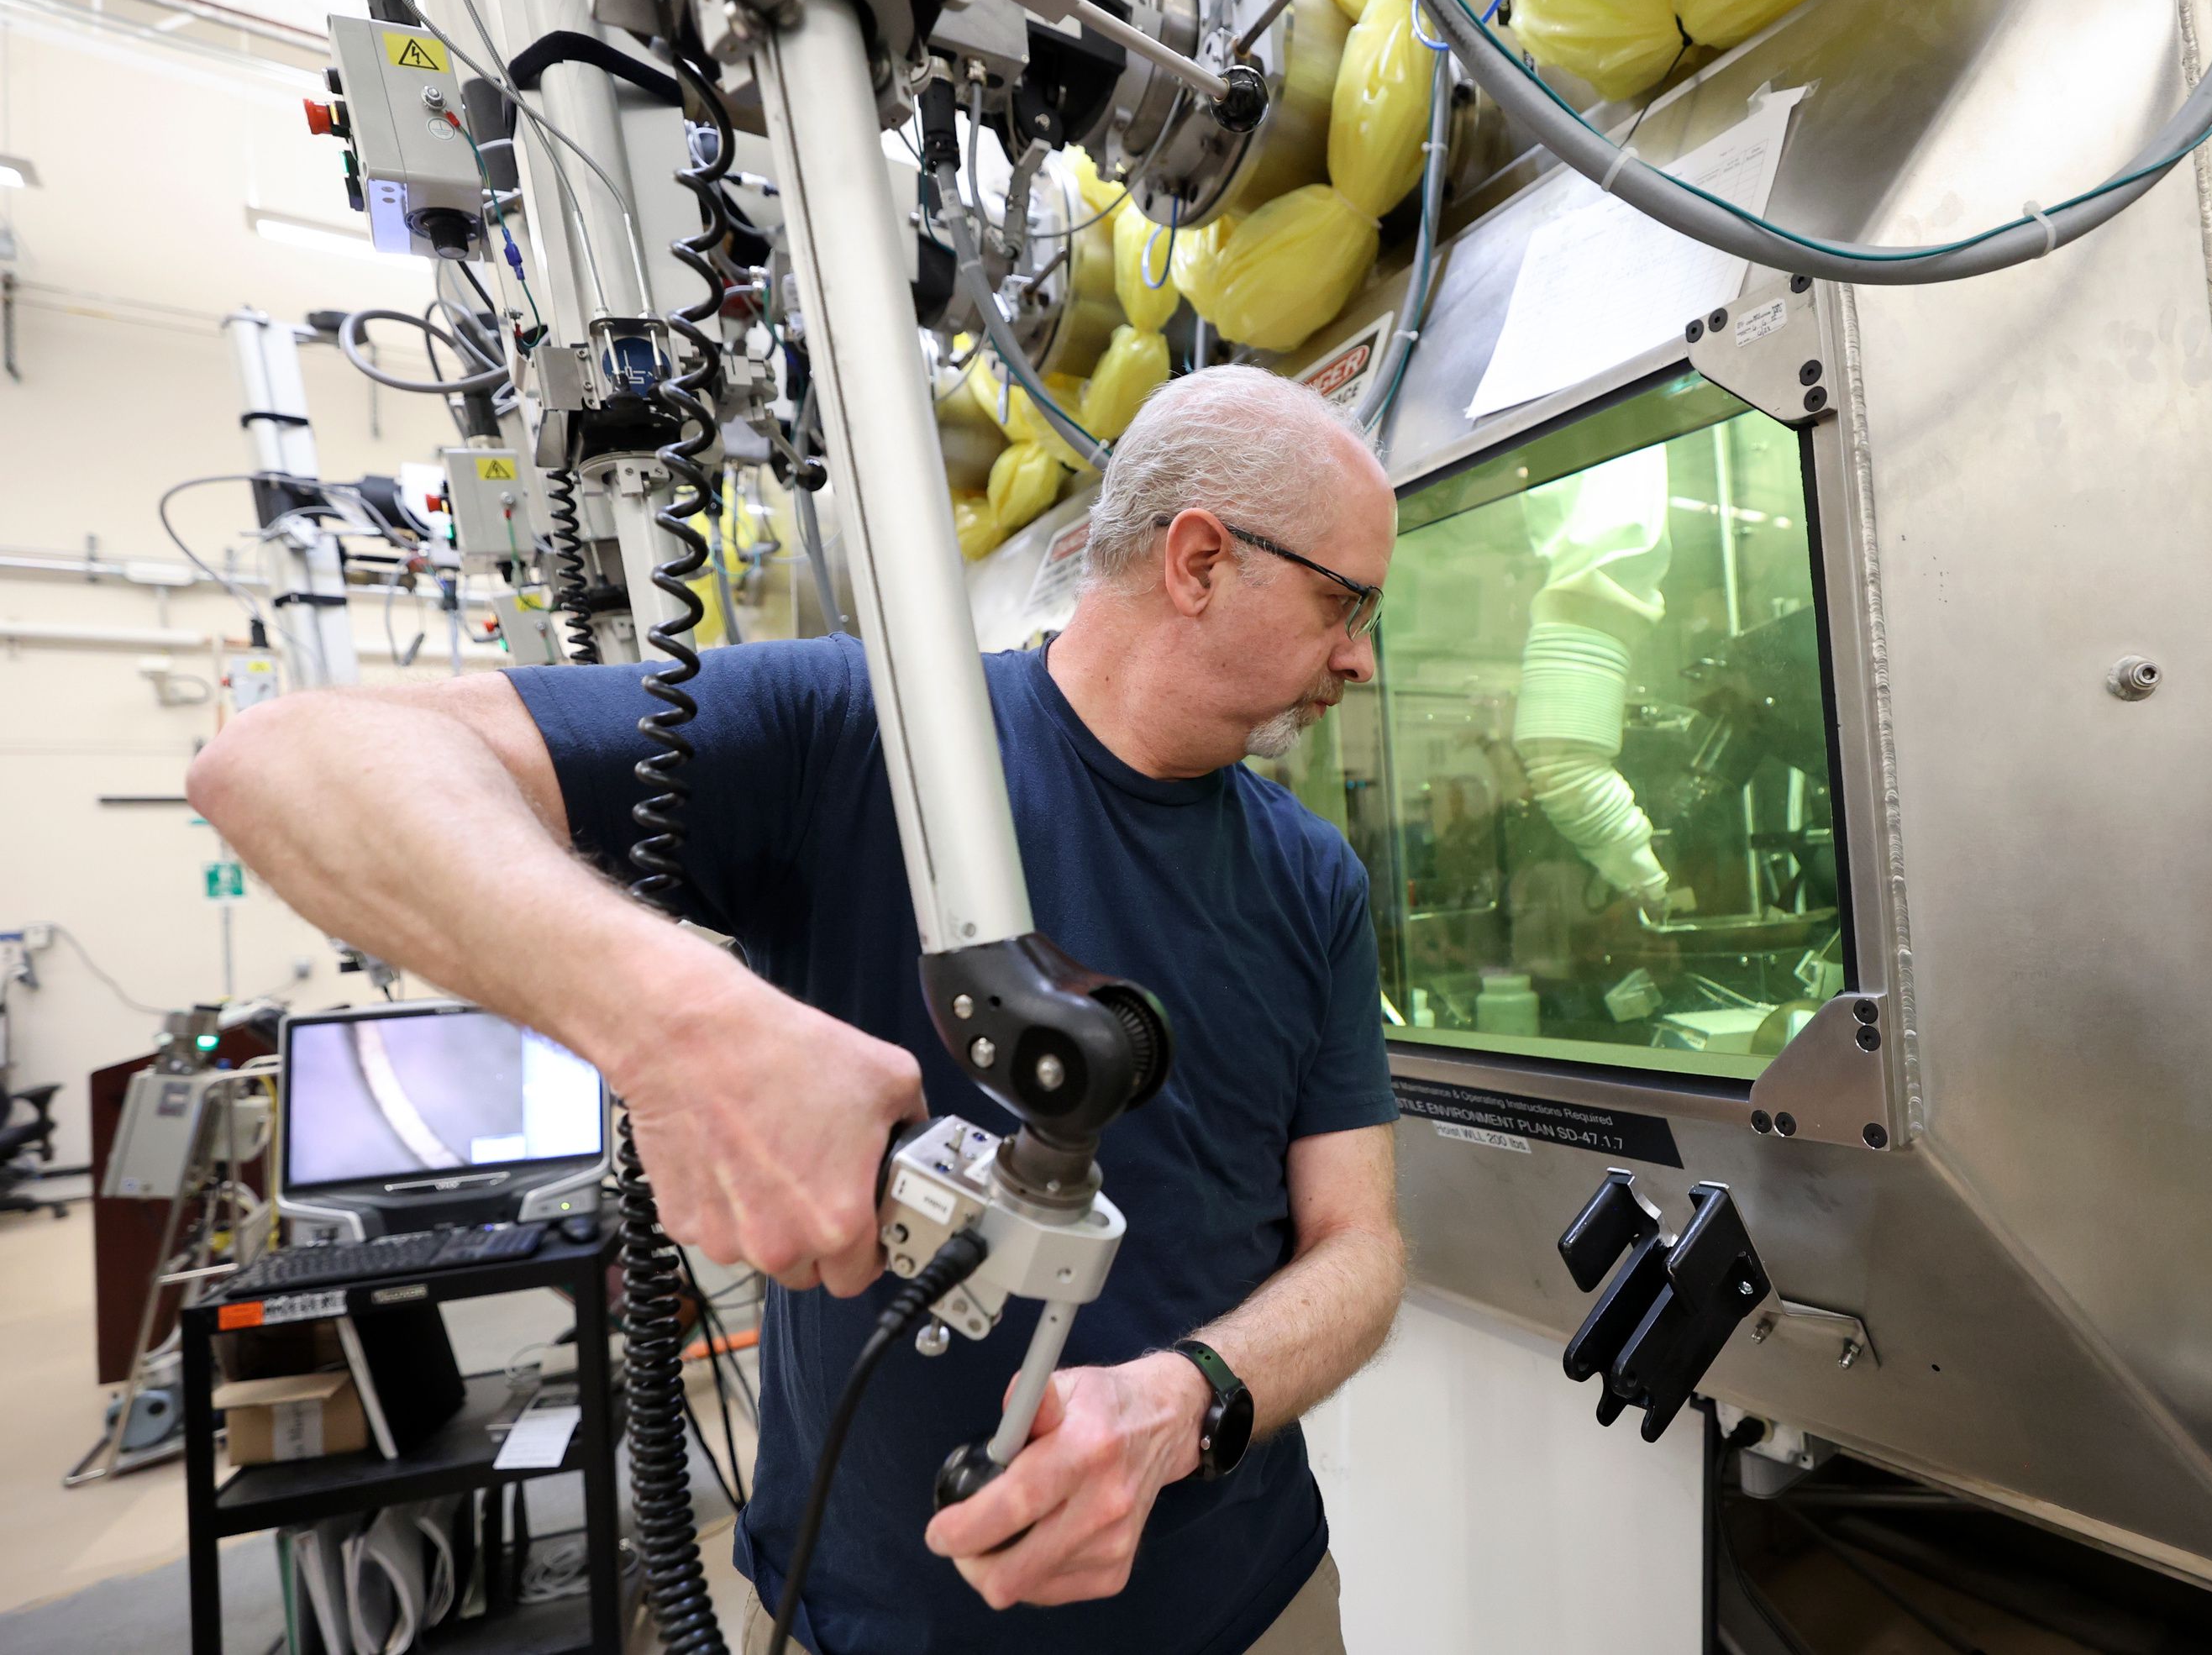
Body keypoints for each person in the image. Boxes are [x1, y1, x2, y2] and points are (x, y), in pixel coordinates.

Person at [188, 364, 1408, 1654]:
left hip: (1246, 1606)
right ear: (1201, 561)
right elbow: (280, 764)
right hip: (873, 1615)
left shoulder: (1311, 874)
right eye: (1346, 600)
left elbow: (1362, 1249)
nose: (1361, 656)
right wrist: (674, 1023)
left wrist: (1190, 1399)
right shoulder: (859, 733)